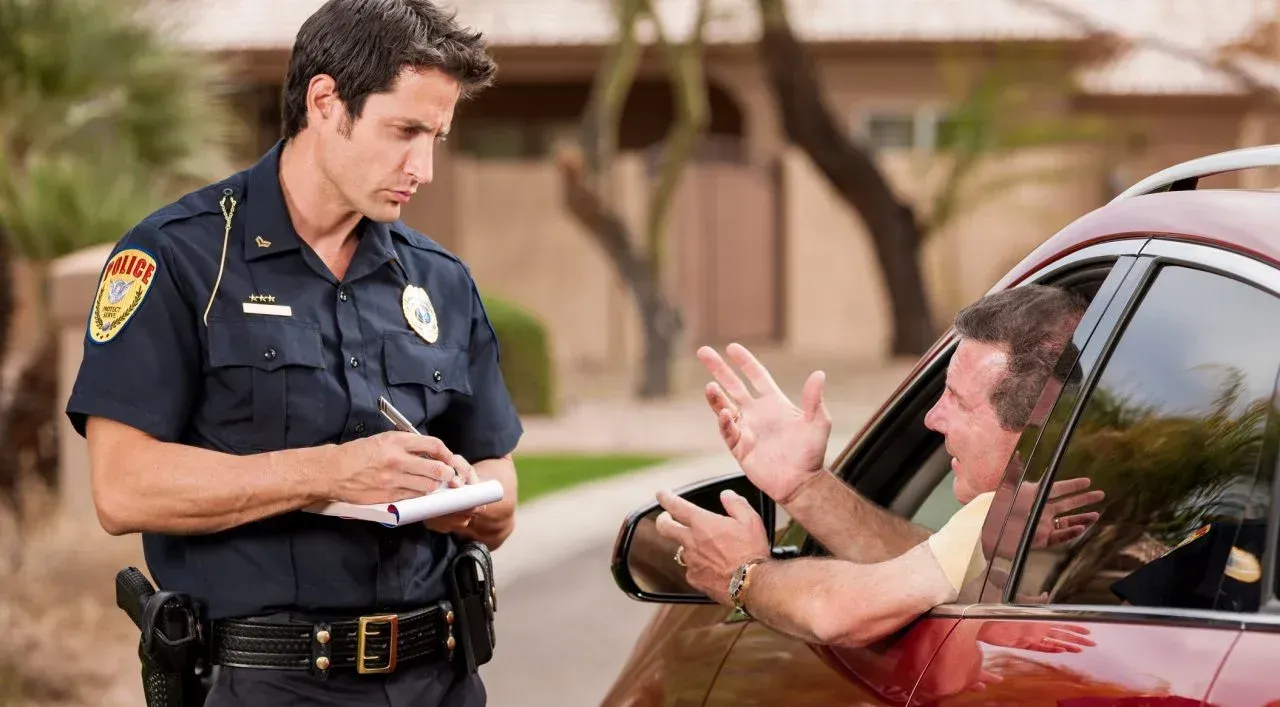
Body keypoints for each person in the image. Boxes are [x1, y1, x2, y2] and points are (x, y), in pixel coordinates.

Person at [64, 1, 521, 705]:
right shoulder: (178, 258)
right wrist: (333, 473)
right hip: (265, 681)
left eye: (436, 136)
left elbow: (502, 490)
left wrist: (458, 492)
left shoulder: (441, 280)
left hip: (442, 677)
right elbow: (123, 487)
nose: (423, 167)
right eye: (404, 131)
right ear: (325, 102)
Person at [655, 284, 1103, 647]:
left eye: (959, 402)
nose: (932, 417)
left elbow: (841, 614)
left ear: (1038, 418)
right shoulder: (1081, 510)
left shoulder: (1012, 507)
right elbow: (918, 575)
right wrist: (804, 487)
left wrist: (743, 573)